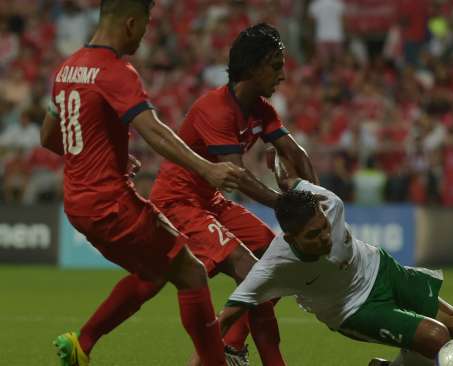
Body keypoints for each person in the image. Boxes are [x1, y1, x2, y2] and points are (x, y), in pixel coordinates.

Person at [61, 23, 319, 366]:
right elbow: (236, 176)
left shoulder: (260, 109)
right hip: (179, 202)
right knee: (248, 272)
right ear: (254, 67)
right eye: (276, 66)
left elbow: (295, 153)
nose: (283, 76)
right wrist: (284, 203)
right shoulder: (215, 109)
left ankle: (229, 347)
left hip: (209, 200)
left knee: (270, 259)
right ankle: (235, 353)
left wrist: (316, 200)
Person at [188, 151, 453, 366]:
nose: (325, 237)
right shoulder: (274, 265)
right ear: (290, 238)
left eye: (324, 228)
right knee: (439, 338)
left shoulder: (329, 203)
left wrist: (281, 171)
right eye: (313, 237)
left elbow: (292, 183)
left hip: (379, 268)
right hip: (351, 309)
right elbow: (227, 316)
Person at [41, 1, 245, 365]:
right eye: (147, 26)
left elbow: (48, 136)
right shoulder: (116, 71)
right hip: (111, 204)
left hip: (77, 203)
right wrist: (206, 169)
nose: (146, 34)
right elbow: (153, 130)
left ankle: (81, 344)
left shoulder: (66, 68)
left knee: (153, 271)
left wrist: (98, 153)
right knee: (193, 273)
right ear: (131, 23)